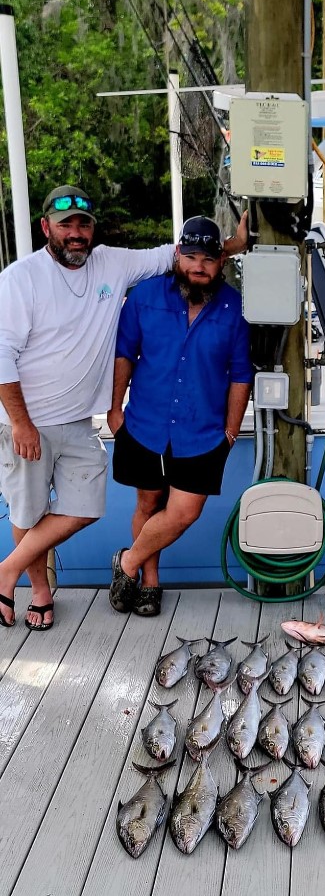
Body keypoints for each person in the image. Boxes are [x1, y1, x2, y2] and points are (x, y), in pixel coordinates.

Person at [0, 185, 245, 631]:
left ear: (93, 228)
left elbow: (181, 255)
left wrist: (231, 244)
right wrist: (20, 422)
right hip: (30, 421)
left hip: (79, 420)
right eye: (65, 224)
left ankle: (113, 564)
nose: (76, 233)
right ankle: (33, 588)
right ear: (45, 227)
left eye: (83, 224)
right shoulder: (19, 278)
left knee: (90, 507)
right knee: (29, 511)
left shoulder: (113, 262)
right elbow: (3, 353)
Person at [106, 216, 254, 617]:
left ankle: (128, 563)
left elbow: (242, 372)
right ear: (177, 255)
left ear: (221, 261)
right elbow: (125, 354)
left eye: (207, 258)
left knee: (185, 511)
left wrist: (232, 428)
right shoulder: (144, 296)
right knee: (147, 502)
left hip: (204, 432)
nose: (198, 266)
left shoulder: (236, 306)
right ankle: (150, 583)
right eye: (190, 256)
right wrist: (115, 407)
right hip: (144, 423)